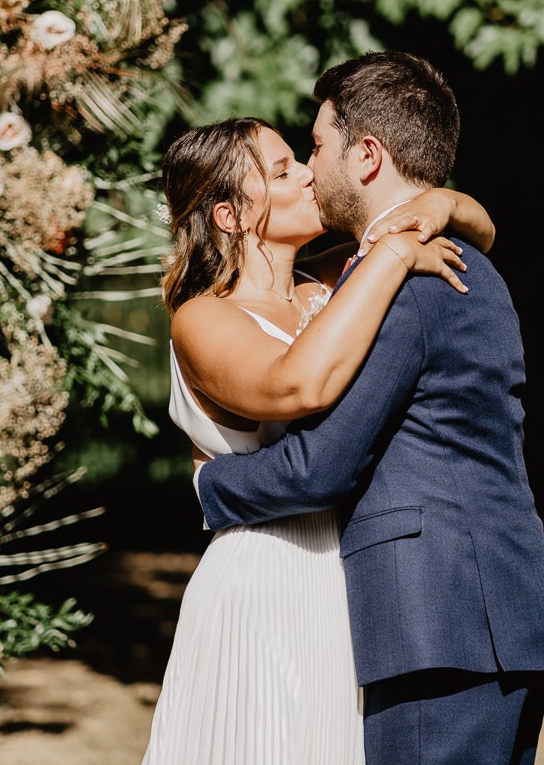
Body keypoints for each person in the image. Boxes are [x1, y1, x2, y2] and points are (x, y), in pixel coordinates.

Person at [196, 51, 544, 765]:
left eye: (317, 146)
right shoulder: (461, 255)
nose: (311, 168)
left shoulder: (398, 276)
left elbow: (320, 467)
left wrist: (210, 483)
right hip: (497, 612)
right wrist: (451, 203)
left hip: (441, 623)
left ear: (366, 156)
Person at [141, 112, 498, 765]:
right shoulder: (202, 317)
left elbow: (483, 228)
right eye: (282, 171)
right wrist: (391, 254)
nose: (309, 172)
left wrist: (440, 202)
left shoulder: (333, 283)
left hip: (351, 573)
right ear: (231, 216)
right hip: (266, 577)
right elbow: (294, 386)